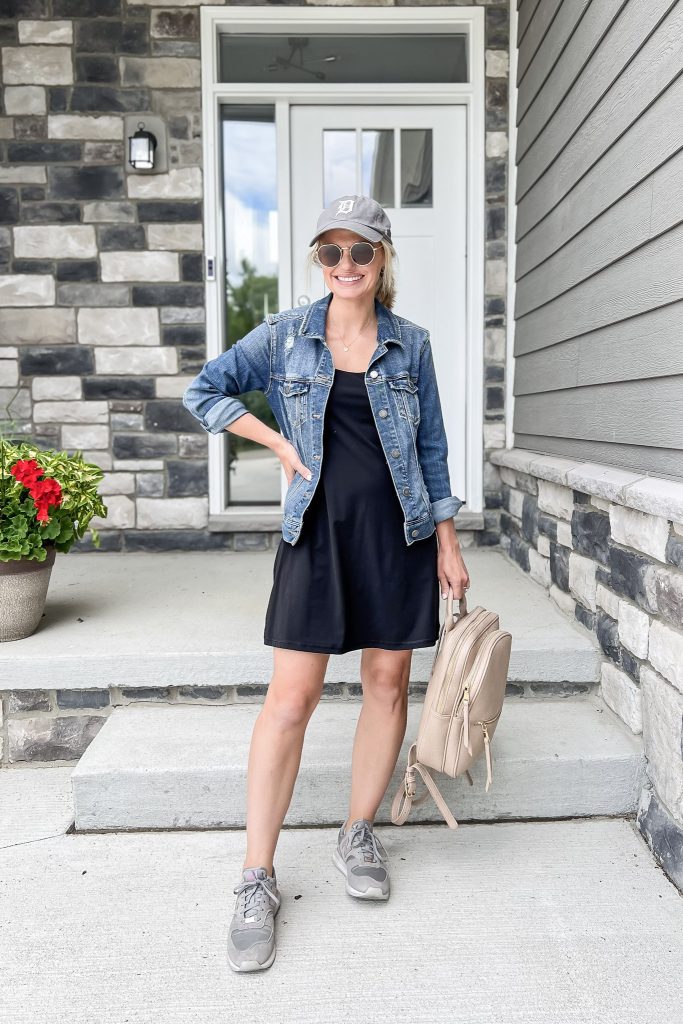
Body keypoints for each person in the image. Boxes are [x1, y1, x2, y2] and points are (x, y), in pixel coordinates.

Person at [183, 194, 470, 972]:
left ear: (383, 260)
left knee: (385, 684)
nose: (345, 266)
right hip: (315, 536)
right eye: (330, 253)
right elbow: (203, 391)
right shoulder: (285, 336)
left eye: (361, 252)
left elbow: (434, 447)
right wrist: (274, 439)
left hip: (400, 535)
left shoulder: (411, 345)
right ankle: (256, 876)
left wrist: (446, 538)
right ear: (318, 261)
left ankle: (357, 832)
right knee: (292, 700)